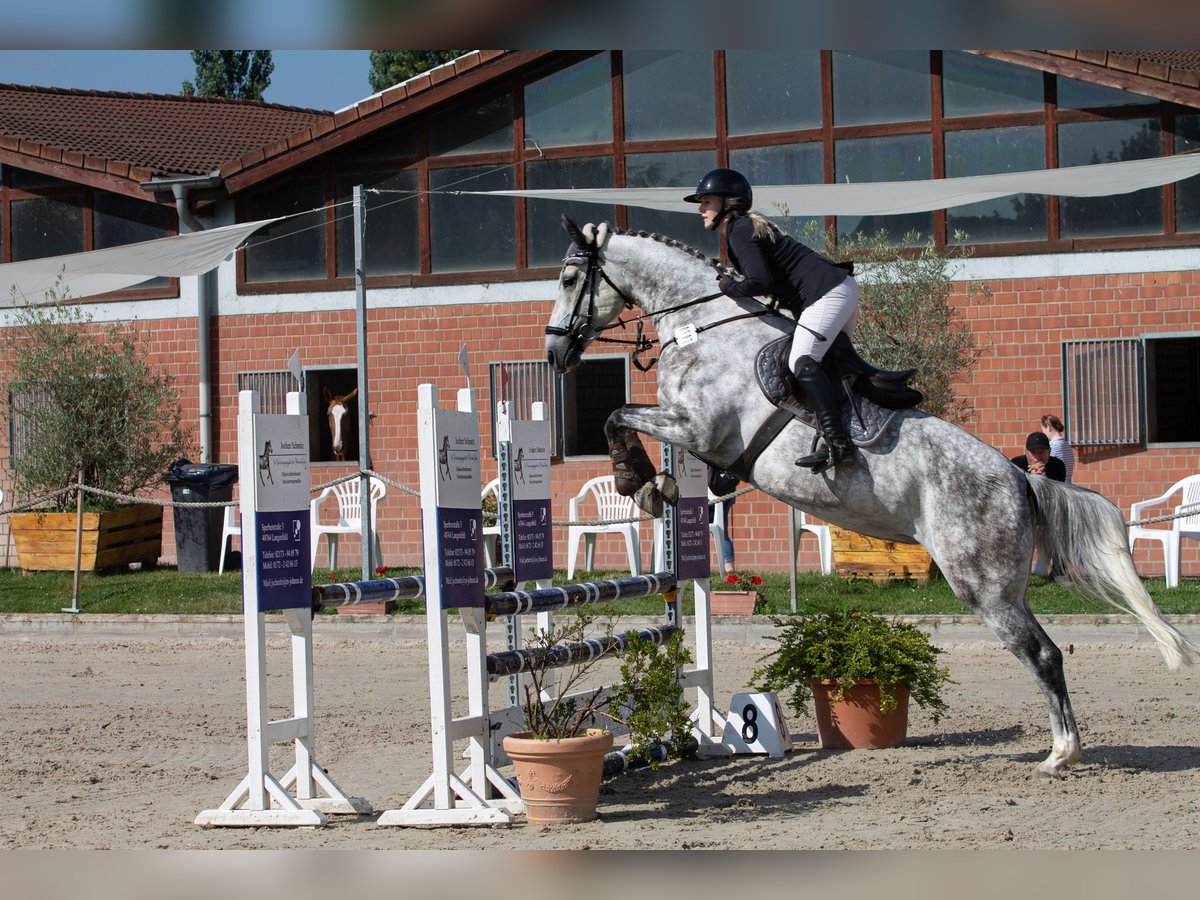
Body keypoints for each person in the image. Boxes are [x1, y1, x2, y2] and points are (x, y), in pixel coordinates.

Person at [685, 168, 860, 474]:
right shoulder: (741, 229)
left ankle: (839, 444)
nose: (701, 208)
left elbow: (759, 281)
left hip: (827, 293)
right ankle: (851, 431)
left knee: (802, 362)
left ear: (729, 203)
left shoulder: (739, 229)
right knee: (829, 366)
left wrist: (728, 287)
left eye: (707, 201)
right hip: (834, 290)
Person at [707, 467, 739, 573]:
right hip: (726, 489)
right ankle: (729, 568)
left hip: (711, 492)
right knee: (722, 533)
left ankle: (697, 568)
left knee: (700, 533)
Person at [1040, 414, 1075, 483]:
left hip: (1057, 488)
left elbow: (1049, 469)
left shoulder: (1051, 446)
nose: (1043, 434)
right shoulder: (1067, 445)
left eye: (1043, 431)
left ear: (1049, 427)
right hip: (1068, 487)